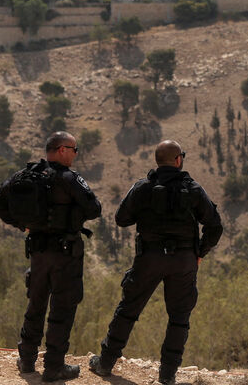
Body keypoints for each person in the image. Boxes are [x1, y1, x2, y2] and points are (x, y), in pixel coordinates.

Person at [90, 140, 222, 385]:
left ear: (157, 161)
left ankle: (105, 363)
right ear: (178, 160)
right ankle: (167, 375)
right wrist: (200, 253)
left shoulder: (143, 187)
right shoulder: (192, 188)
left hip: (149, 258)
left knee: (128, 309)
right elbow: (215, 225)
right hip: (183, 260)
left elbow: (121, 219)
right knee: (179, 317)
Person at [0, 131, 101, 381]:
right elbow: (94, 209)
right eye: (74, 150)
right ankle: (54, 367)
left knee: (36, 304)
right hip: (66, 254)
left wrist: (22, 224)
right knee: (62, 309)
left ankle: (27, 360)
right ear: (62, 150)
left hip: (38, 252)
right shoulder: (68, 178)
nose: (75, 154)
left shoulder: (25, 175)